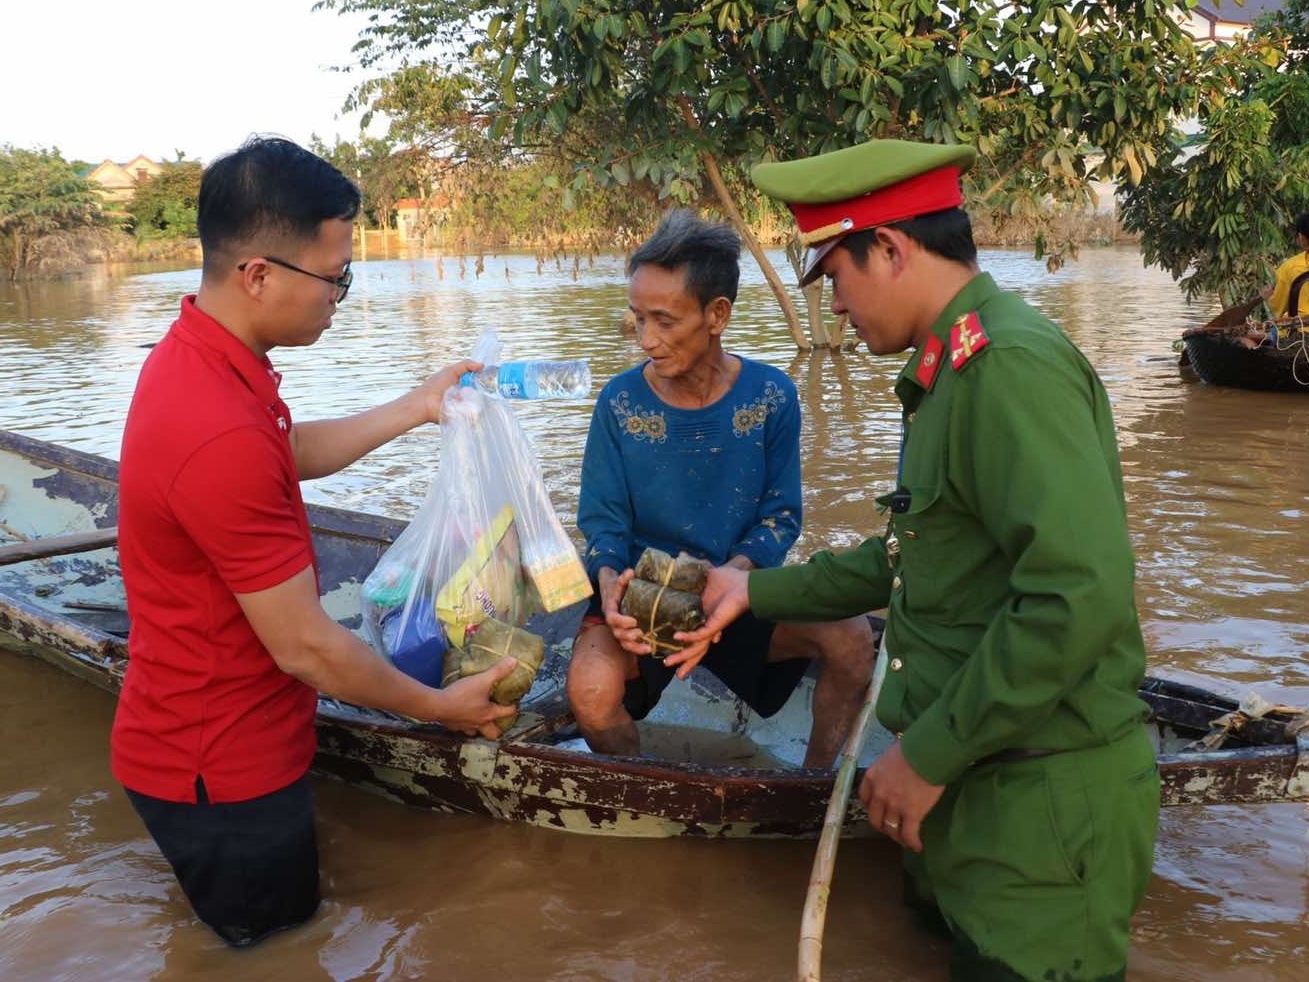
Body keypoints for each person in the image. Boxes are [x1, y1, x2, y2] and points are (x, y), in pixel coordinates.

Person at [680, 139, 1160, 981]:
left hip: (1033, 804)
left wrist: (926, 755)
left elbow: (1074, 599)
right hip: (971, 787)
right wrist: (749, 591)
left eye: (834, 277)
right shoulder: (946, 371)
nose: (833, 307)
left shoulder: (1008, 369)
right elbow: (910, 557)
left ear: (892, 249)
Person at [111, 136, 520, 948]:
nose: (341, 294)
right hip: (220, 767)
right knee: (272, 949)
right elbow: (308, 648)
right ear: (257, 273)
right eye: (335, 277)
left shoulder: (207, 356)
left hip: (211, 736)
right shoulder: (214, 420)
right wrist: (439, 708)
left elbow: (283, 452)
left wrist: (416, 405)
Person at [566, 209, 874, 769]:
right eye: (637, 319)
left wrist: (731, 580)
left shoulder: (771, 396)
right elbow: (603, 521)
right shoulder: (620, 402)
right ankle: (646, 787)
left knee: (852, 641)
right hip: (644, 600)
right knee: (589, 693)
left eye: (664, 321)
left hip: (739, 588)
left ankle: (812, 790)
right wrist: (610, 584)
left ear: (717, 314)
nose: (647, 341)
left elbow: (780, 520)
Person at [1262, 211, 1309, 318]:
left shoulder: (1290, 267)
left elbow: (1279, 306)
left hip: (1301, 330)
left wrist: (1269, 297)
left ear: (1301, 236)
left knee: (1274, 329)